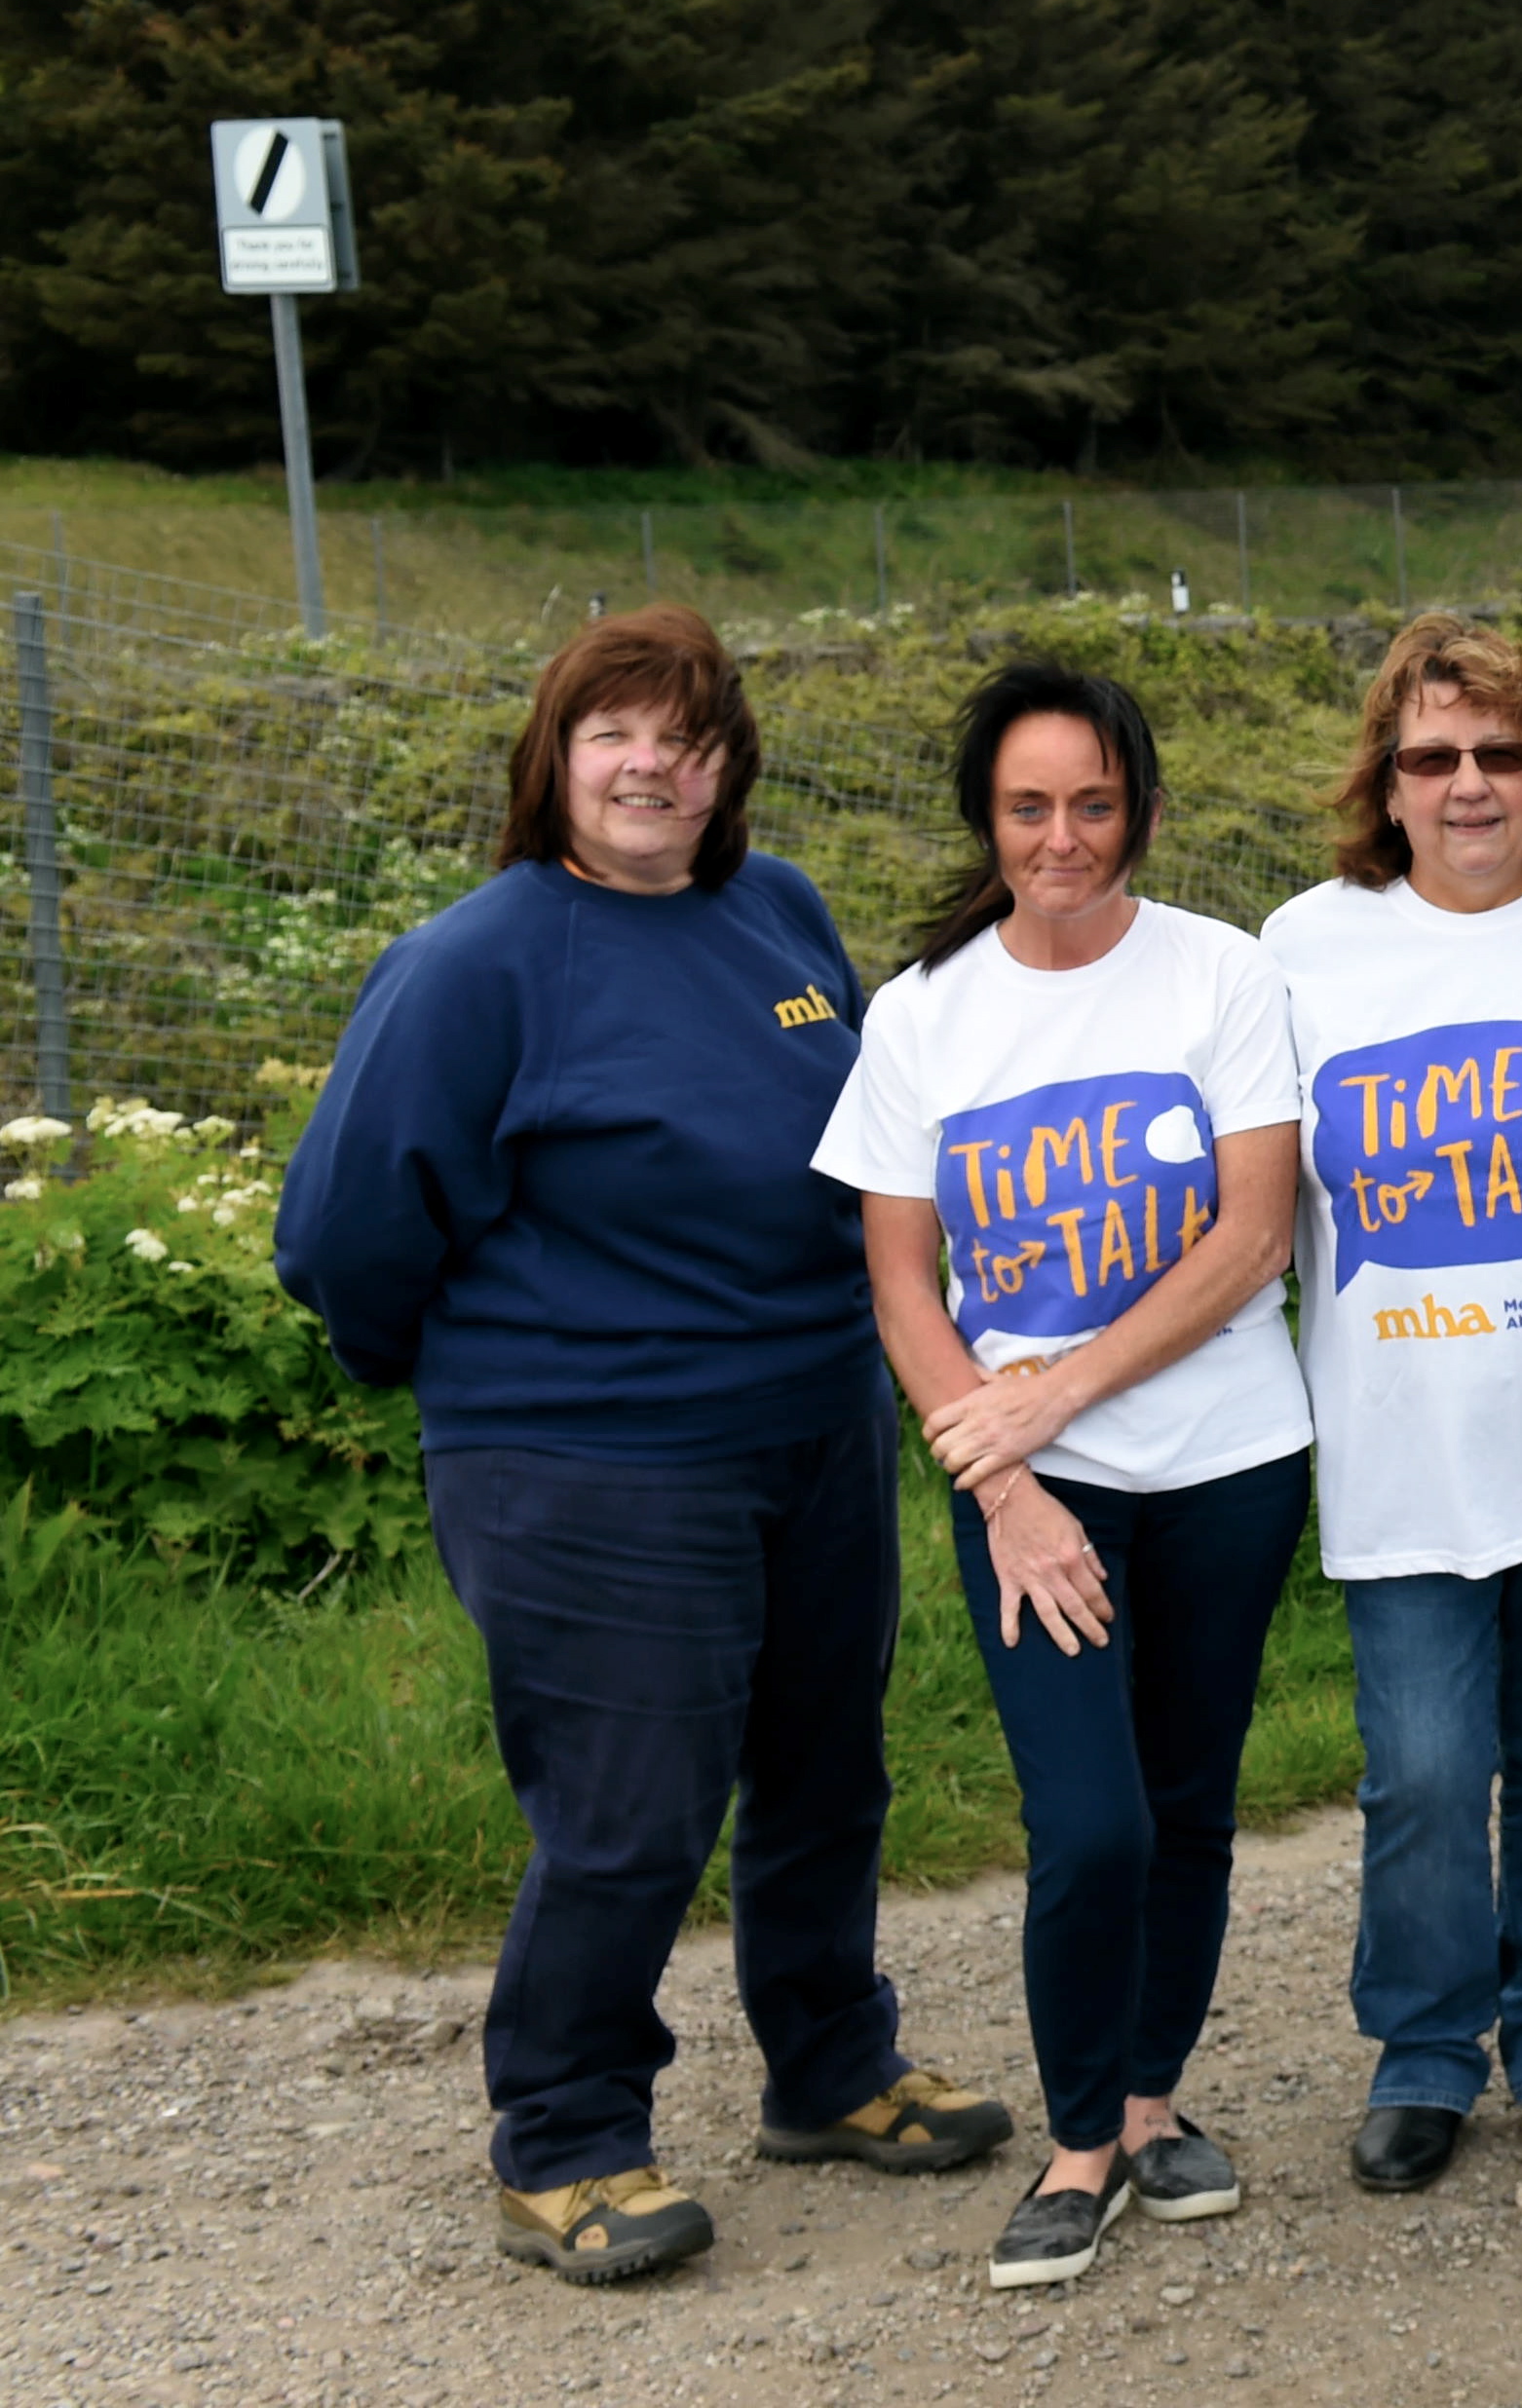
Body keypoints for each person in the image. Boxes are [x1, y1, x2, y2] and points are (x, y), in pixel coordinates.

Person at [276, 607, 1013, 2288]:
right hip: (591, 1453)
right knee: (631, 1809)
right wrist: (480, 1384)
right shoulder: (475, 964)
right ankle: (566, 2136)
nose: (650, 764)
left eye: (685, 736)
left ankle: (831, 2069)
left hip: (810, 1420)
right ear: (555, 760)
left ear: (730, 768)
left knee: (827, 1770)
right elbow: (344, 1236)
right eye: (613, 732)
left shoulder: (777, 914)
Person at [812, 663, 1313, 2291]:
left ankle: (1155, 2105)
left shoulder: (1220, 978)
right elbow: (905, 1283)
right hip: (1032, 1496)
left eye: (1094, 803)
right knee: (1087, 1823)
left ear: (1143, 812)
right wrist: (1011, 1483)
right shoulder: (923, 1013)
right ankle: (1080, 2141)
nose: (1063, 836)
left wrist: (1059, 1396)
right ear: (990, 818)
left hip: (1227, 1465)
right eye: (1031, 806)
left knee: (1187, 1807)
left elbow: (1251, 1238)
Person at [1261, 616, 1522, 2196]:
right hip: (1402, 1447)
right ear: (1384, 778)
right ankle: (1428, 2046)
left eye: (1501, 753)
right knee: (1426, 1768)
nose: (1468, 785)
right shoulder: (1297, 949)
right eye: (1432, 756)